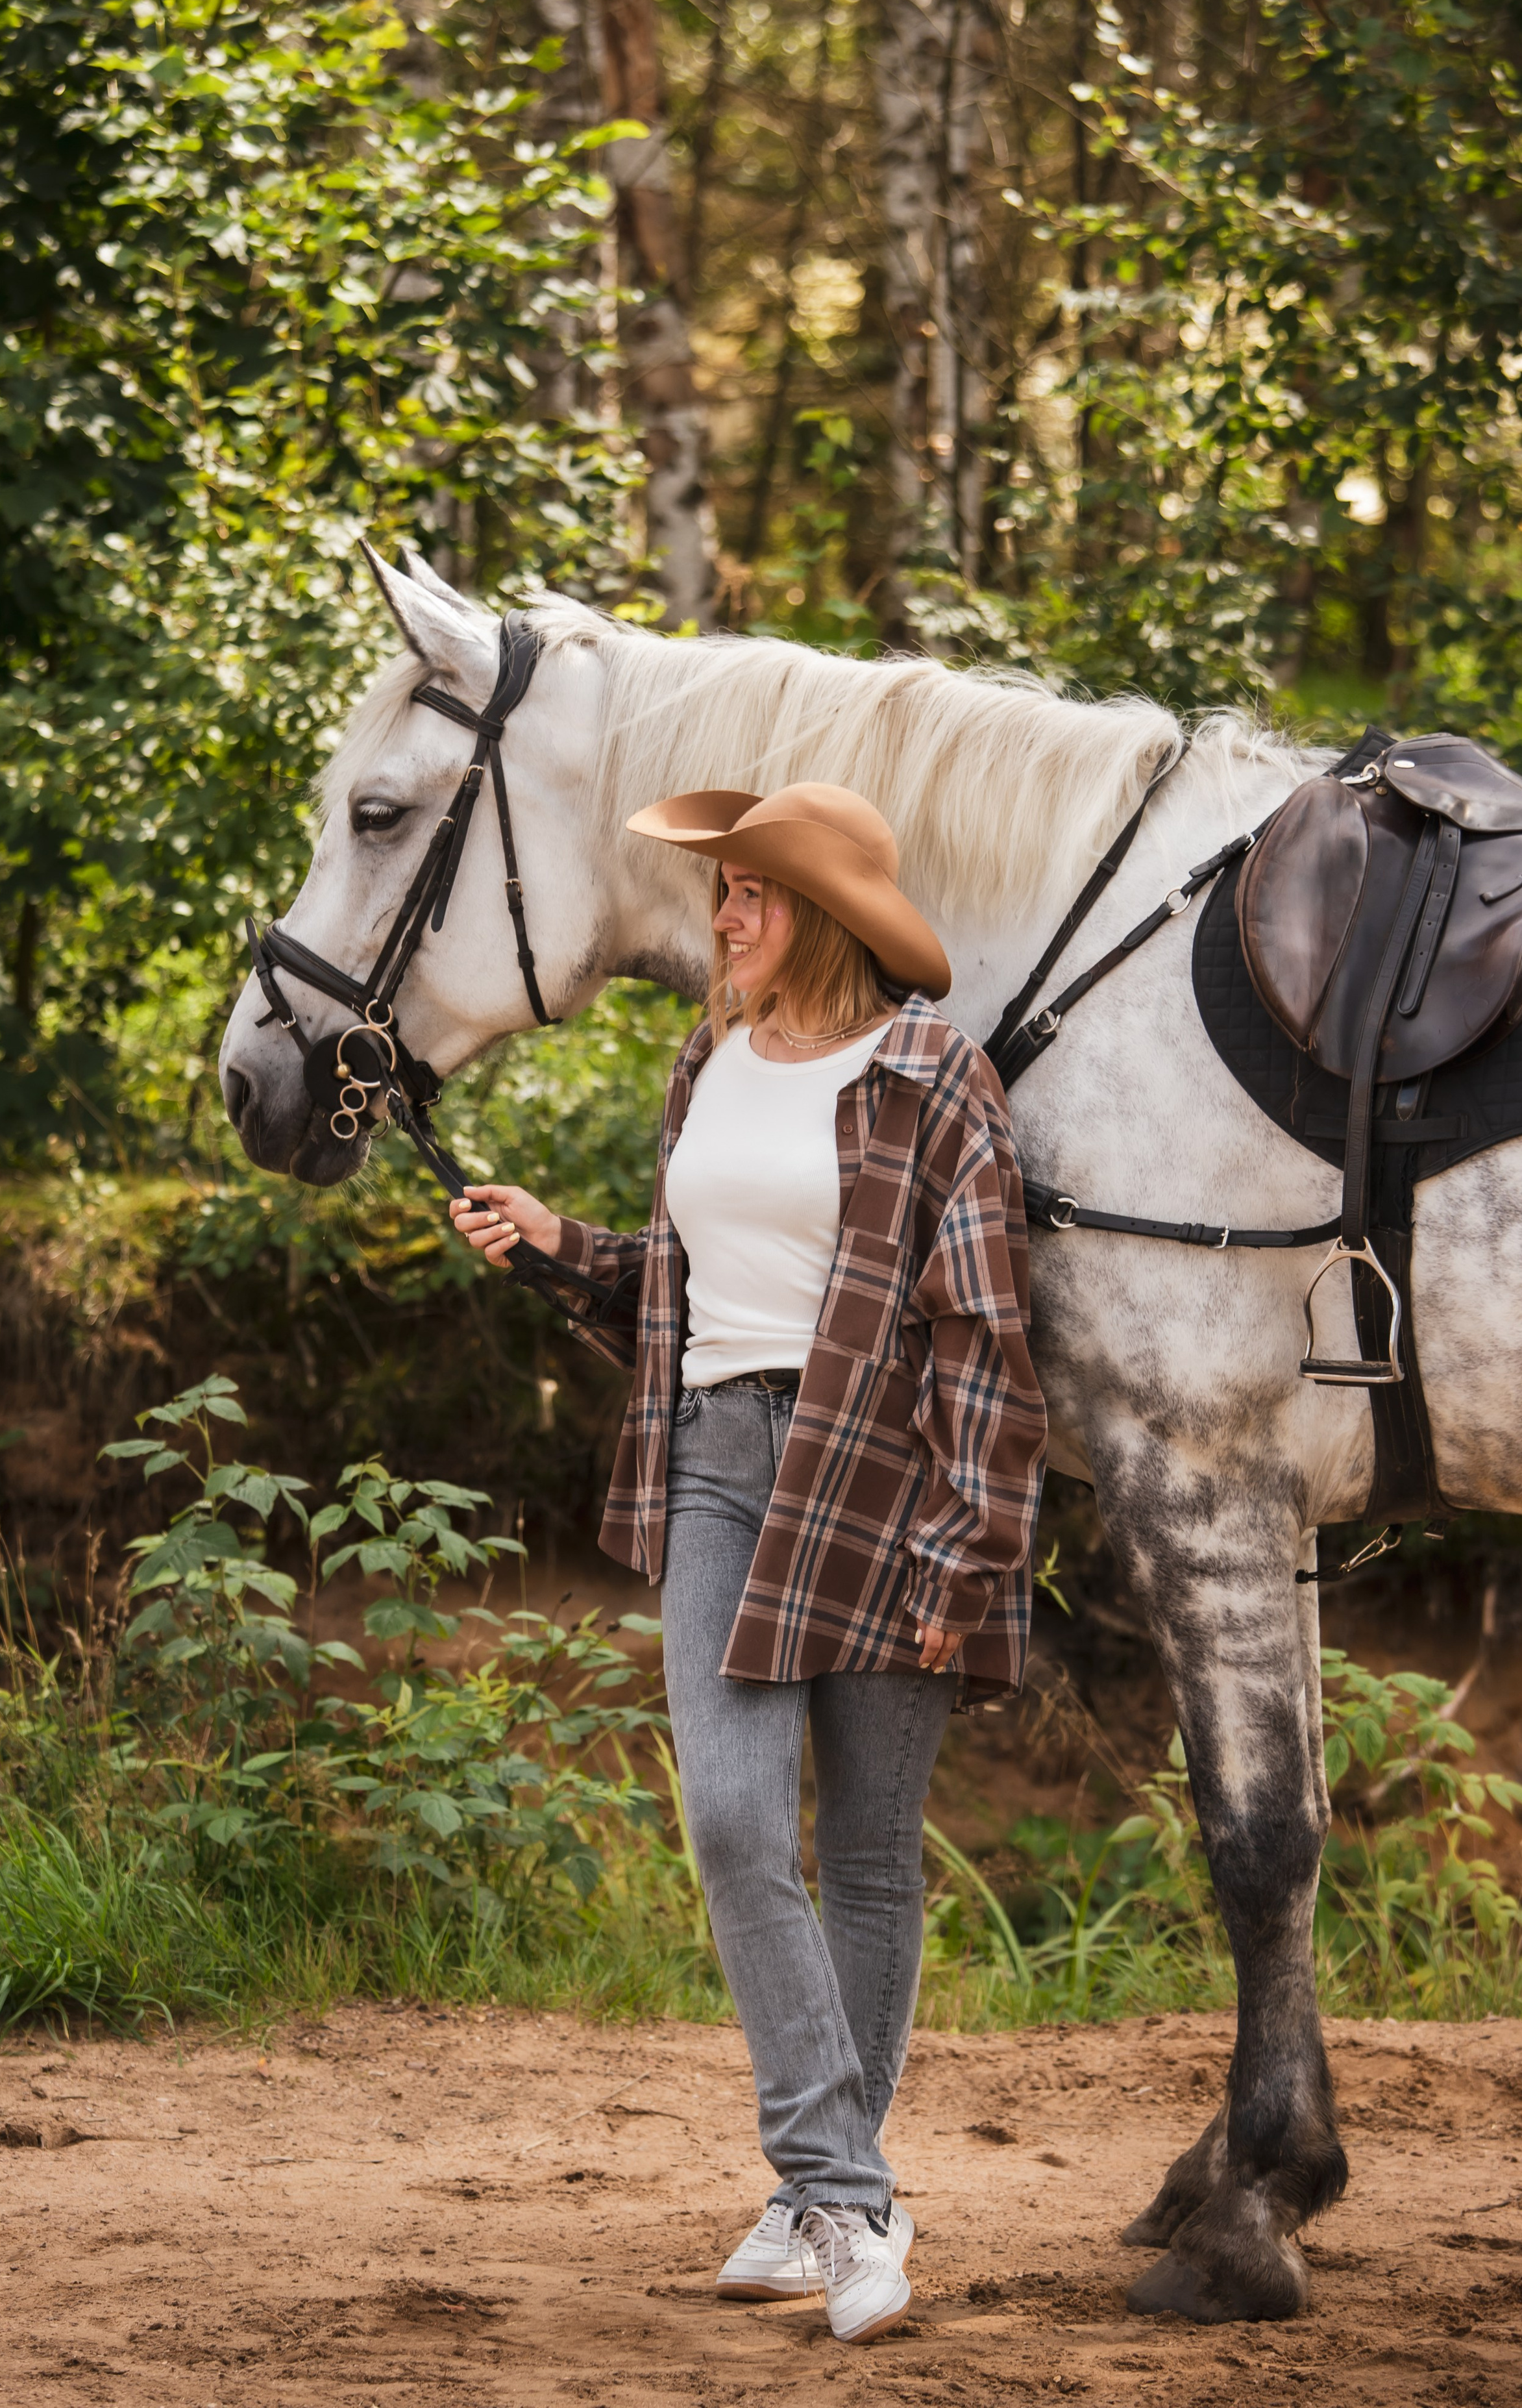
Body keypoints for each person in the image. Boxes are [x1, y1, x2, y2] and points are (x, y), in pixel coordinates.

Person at [450, 782, 1046, 2346]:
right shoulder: (705, 1058)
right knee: (729, 1817)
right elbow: (688, 1283)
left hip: (883, 1477)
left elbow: (983, 1340)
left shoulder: (933, 1078)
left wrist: (967, 1556)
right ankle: (843, 2191)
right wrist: (558, 1243)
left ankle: (814, 2208)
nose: (722, 917)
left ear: (826, 915)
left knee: (862, 1849)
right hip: (717, 1465)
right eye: (720, 889)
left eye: (751, 893)